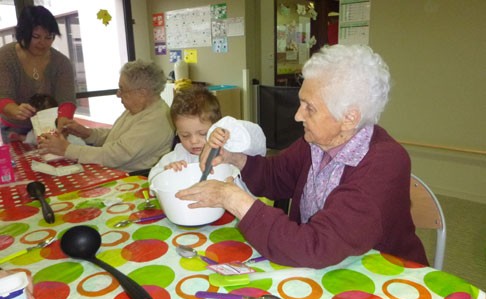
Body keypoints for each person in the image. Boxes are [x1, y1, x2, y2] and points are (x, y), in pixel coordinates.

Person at [176, 44, 429, 269]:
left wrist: (232, 198)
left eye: (310, 107)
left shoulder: (385, 163)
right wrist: (233, 158)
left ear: (349, 118)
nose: (298, 116)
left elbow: (314, 246)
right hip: (326, 267)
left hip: (385, 276)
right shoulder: (318, 143)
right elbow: (276, 175)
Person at [38, 59, 174, 173]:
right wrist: (87, 133)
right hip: (112, 171)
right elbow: (117, 137)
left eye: (122, 89)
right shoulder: (137, 110)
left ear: (142, 93)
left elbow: (115, 155)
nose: (118, 94)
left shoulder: (157, 120)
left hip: (130, 179)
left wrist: (67, 149)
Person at [148, 85, 266, 182]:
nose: (194, 141)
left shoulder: (229, 150)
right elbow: (152, 180)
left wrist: (226, 130)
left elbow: (259, 141)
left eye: (203, 133)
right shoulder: (176, 156)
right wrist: (166, 173)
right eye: (185, 135)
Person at [0, 5, 76, 144]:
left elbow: (67, 100)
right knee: (20, 163)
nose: (43, 43)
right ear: (24, 33)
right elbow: (3, 96)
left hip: (49, 125)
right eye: (36, 36)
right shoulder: (5, 57)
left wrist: (63, 120)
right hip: (14, 129)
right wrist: (15, 110)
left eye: (49, 37)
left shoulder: (61, 62)